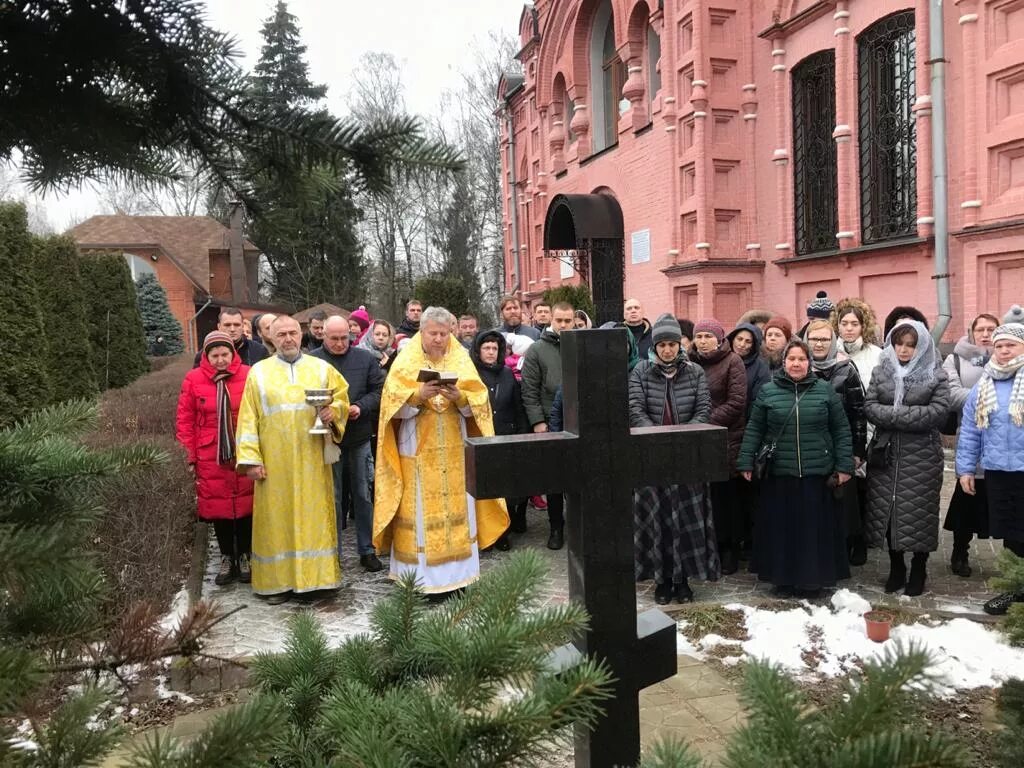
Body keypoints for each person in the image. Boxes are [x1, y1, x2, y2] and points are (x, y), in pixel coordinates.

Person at [373, 306, 509, 597]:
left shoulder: (460, 358)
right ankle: (421, 582)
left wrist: (460, 398)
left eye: (444, 334)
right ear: (422, 332)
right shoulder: (405, 361)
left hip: (456, 452)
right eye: (433, 333)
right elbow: (389, 409)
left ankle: (460, 579)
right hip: (417, 454)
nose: (438, 339)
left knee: (460, 512)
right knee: (421, 516)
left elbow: (480, 402)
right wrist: (416, 397)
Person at [235, 316, 349, 605]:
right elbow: (248, 418)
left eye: (293, 333)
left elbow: (342, 399)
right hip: (275, 464)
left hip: (312, 460)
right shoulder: (258, 373)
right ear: (271, 338)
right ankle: (278, 583)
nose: (288, 338)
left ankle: (318, 580)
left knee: (315, 517)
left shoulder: (321, 368)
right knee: (276, 520)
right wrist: (250, 459)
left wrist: (333, 412)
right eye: (281, 334)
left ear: (303, 335)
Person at [738, 339, 854, 597]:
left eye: (802, 359)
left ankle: (812, 581)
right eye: (792, 359)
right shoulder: (768, 392)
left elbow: (841, 430)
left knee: (813, 532)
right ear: (784, 362)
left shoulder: (824, 390)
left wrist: (844, 465)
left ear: (809, 363)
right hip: (780, 473)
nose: (796, 364)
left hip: (817, 473)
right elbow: (755, 428)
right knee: (783, 530)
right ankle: (783, 580)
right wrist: (746, 460)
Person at [629, 314, 719, 604]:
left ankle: (683, 581)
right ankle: (662, 580)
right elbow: (635, 408)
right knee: (658, 521)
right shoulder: (641, 371)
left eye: (672, 343)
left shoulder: (693, 372)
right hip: (652, 458)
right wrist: (658, 438)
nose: (667, 350)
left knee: (686, 521)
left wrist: (682, 439)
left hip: (687, 457)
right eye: (662, 344)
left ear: (680, 343)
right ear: (654, 346)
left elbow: (704, 407)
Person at [864, 321, 950, 597]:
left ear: (921, 347)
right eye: (899, 343)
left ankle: (920, 566)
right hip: (885, 454)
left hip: (922, 455)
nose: (903, 350)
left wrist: (893, 415)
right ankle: (896, 566)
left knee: (919, 512)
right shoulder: (882, 370)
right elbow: (869, 406)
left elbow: (938, 412)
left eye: (910, 345)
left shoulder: (935, 375)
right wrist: (902, 414)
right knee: (887, 513)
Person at [176, 331, 255, 586]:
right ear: (206, 356)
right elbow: (185, 420)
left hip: (243, 448)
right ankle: (226, 556)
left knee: (246, 505)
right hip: (210, 453)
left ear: (233, 353)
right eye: (215, 355)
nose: (221, 360)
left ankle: (244, 555)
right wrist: (188, 455)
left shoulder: (249, 374)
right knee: (219, 507)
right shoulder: (193, 379)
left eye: (225, 354)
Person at [956, 323, 1024, 615]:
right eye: (999, 346)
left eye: (1011, 345)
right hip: (998, 472)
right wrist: (966, 470)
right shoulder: (984, 385)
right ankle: (1016, 591)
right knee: (1011, 533)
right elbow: (971, 431)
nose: (1005, 350)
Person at [311, 316, 385, 572]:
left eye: (345, 338)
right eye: (334, 338)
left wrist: (359, 407)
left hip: (358, 437)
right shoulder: (312, 362)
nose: (341, 343)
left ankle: (367, 549)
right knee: (332, 498)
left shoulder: (365, 360)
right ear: (323, 336)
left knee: (363, 496)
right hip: (326, 439)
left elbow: (379, 391)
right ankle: (333, 552)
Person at [804, 320, 868, 565]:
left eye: (824, 339)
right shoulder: (799, 365)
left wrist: (857, 450)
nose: (818, 344)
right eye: (814, 339)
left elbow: (859, 412)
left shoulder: (846, 368)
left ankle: (851, 545)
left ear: (833, 342)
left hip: (840, 446)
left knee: (844, 504)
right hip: (810, 448)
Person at [942, 312, 1000, 576]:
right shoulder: (955, 359)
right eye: (981, 329)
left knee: (1004, 496)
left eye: (991, 329)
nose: (986, 334)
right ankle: (959, 551)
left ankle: (1012, 560)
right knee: (967, 496)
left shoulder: (1011, 358)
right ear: (971, 332)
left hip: (1003, 441)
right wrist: (991, 400)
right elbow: (951, 394)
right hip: (971, 438)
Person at [690, 318, 747, 574]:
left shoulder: (732, 361)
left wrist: (703, 422)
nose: (702, 341)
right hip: (695, 441)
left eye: (708, 336)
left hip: (726, 439)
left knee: (726, 500)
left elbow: (736, 403)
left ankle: (729, 549)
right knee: (703, 498)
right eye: (699, 336)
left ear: (720, 338)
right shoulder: (688, 362)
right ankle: (705, 549)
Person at [521, 302, 576, 549]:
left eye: (568, 320)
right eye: (559, 320)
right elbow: (529, 389)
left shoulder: (579, 346)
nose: (563, 325)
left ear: (574, 321)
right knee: (554, 480)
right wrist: (538, 421)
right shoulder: (536, 350)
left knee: (578, 477)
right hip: (550, 421)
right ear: (551, 320)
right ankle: (556, 527)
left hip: (579, 422)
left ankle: (579, 525)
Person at [471, 329, 529, 547]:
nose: (491, 352)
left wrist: (521, 433)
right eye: (486, 348)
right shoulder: (472, 373)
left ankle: (504, 530)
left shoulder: (506, 373)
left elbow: (517, 405)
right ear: (478, 350)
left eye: (495, 348)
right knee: (486, 486)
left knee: (506, 486)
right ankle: (487, 531)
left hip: (506, 433)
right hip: (482, 436)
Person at [727, 321, 771, 561]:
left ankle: (751, 542)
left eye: (748, 341)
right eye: (739, 339)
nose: (742, 345)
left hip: (748, 435)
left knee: (750, 492)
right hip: (726, 434)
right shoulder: (723, 362)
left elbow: (758, 401)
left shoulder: (760, 368)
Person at [192, 307, 269, 368]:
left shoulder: (259, 350)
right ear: (219, 326)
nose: (232, 329)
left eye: (236, 325)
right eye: (227, 325)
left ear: (242, 326)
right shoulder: (204, 353)